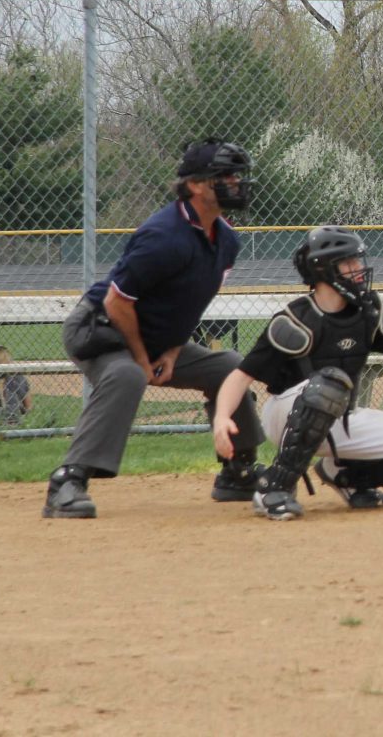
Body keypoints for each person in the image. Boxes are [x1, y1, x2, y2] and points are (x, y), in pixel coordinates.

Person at [41, 138, 266, 519]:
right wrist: (145, 359)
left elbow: (191, 302)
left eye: (236, 176)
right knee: (128, 374)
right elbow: (117, 302)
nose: (235, 183)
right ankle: (68, 479)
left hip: (156, 337)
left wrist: (174, 349)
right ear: (195, 185)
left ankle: (238, 471)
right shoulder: (163, 235)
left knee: (229, 367)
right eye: (223, 176)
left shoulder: (226, 240)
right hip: (100, 329)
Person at [211, 226, 383, 519]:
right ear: (323, 269)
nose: (359, 269)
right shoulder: (296, 320)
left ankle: (347, 477)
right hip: (286, 415)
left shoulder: (368, 312)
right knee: (328, 385)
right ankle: (273, 487)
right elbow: (240, 376)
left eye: (358, 261)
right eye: (348, 263)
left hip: (341, 416)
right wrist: (221, 419)